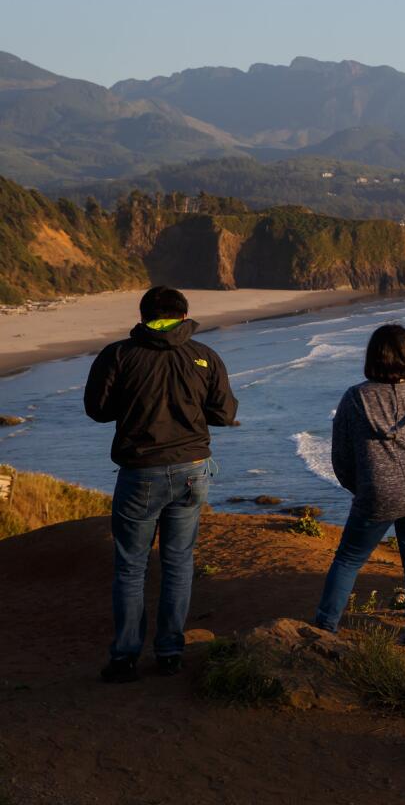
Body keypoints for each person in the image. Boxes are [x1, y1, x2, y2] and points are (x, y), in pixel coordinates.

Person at [84, 285, 238, 683]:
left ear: (143, 316)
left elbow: (97, 410)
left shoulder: (119, 354)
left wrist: (135, 402)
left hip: (140, 471)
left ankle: (125, 656)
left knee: (131, 568)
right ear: (184, 317)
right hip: (192, 468)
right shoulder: (204, 356)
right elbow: (223, 413)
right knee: (178, 562)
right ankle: (169, 651)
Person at [314, 324, 405, 647]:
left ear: (373, 357)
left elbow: (341, 456)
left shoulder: (354, 399)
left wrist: (361, 488)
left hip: (377, 492)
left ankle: (325, 626)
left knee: (349, 558)